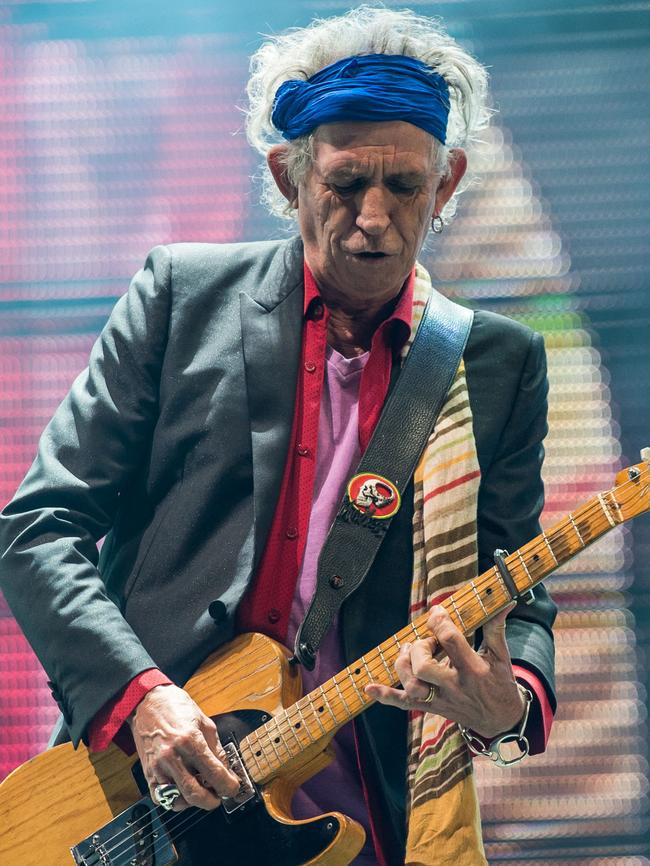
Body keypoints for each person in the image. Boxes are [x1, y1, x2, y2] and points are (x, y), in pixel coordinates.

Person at [0, 7, 556, 865]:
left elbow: (515, 593)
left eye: (405, 187)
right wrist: (143, 697)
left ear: (446, 187)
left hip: (361, 811)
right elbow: (38, 529)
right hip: (142, 786)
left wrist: (507, 706)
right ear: (288, 175)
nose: (374, 217)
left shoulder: (497, 363)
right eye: (342, 184)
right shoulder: (180, 296)